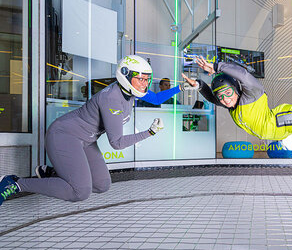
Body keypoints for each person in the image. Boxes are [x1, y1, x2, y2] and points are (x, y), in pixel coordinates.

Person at [0, 55, 193, 205]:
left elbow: (157, 99)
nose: (144, 84)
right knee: (80, 192)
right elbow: (116, 143)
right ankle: (15, 183)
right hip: (64, 136)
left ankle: (53, 173)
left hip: (86, 139)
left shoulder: (131, 92)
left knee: (102, 185)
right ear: (125, 76)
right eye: (140, 79)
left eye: (147, 79)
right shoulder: (112, 99)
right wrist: (149, 133)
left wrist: (182, 87)